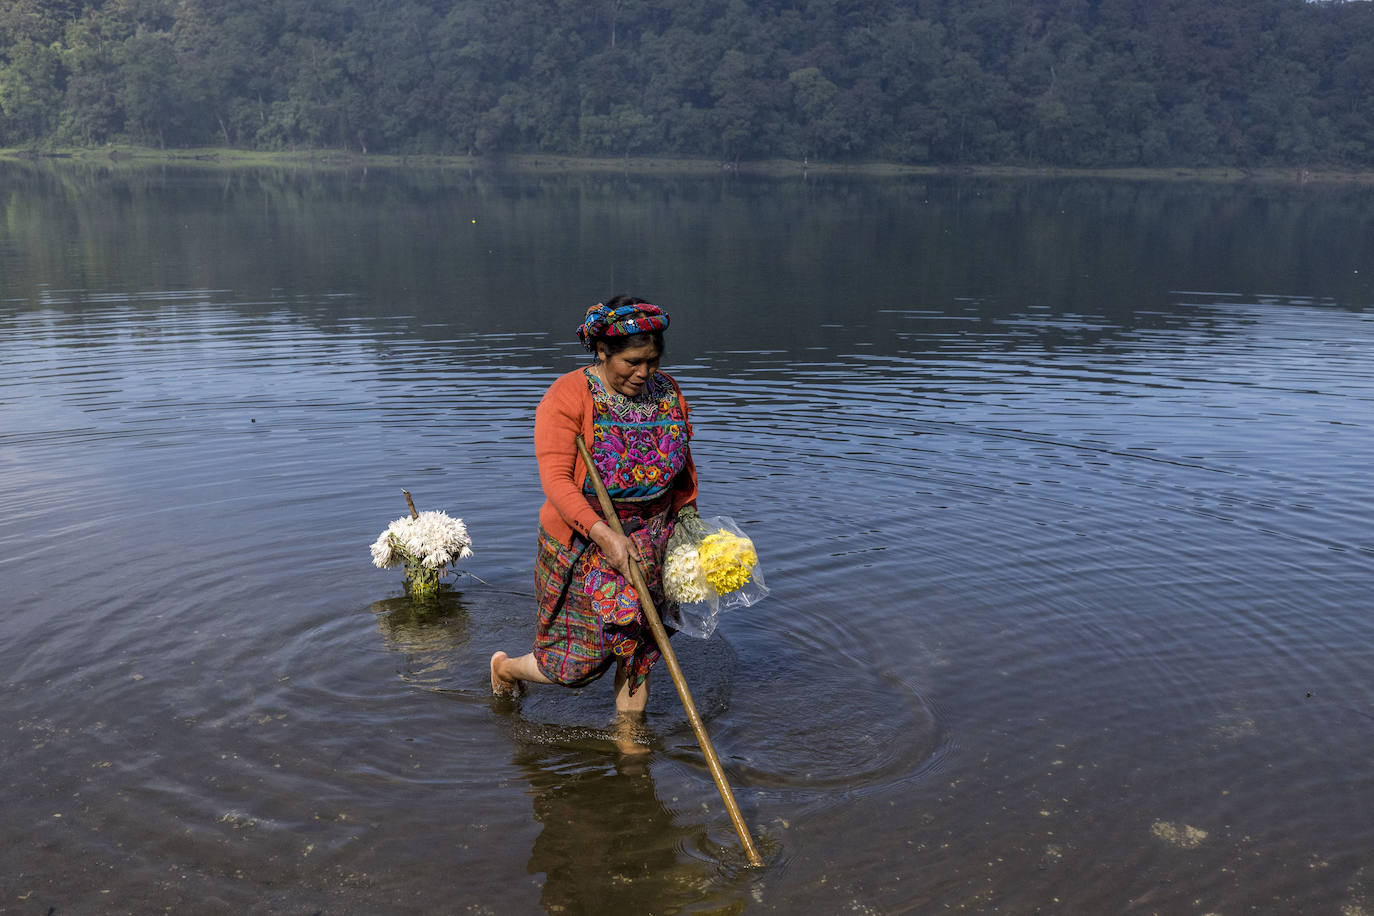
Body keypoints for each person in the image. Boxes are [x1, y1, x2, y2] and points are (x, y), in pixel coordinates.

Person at [490, 296, 698, 740]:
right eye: (632, 361)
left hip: (651, 540)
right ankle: (507, 669)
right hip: (586, 542)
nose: (644, 373)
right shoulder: (568, 396)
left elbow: (683, 469)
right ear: (602, 351)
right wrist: (605, 535)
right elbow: (558, 482)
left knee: (640, 649)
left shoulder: (669, 393)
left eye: (653, 361)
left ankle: (629, 742)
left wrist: (688, 524)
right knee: (574, 667)